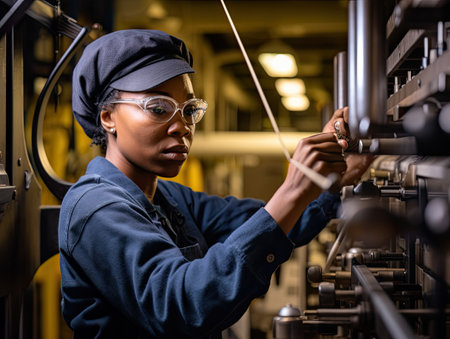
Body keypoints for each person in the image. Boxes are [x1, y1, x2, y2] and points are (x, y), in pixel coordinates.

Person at [58, 29, 371, 338]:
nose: (181, 127)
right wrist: (292, 190)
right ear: (107, 117)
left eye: (190, 110)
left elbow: (276, 225)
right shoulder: (96, 207)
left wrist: (330, 184)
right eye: (158, 108)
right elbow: (183, 305)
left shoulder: (169, 198)